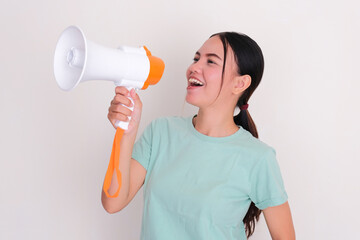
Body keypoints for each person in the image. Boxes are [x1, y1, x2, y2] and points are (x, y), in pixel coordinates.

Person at [102, 32, 296, 240]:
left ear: (240, 83)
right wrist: (127, 133)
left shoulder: (258, 158)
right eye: (196, 58)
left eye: (211, 61)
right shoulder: (161, 132)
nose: (193, 68)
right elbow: (112, 203)